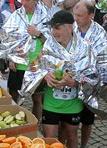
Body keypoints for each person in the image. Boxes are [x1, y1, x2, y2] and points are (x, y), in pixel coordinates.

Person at [41, 10, 97, 148]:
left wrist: (73, 82)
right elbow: (36, 68)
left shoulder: (85, 47)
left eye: (57, 27)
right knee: (49, 140)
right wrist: (44, 75)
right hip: (51, 102)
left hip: (73, 103)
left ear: (70, 27)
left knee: (72, 137)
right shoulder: (48, 45)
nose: (54, 32)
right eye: (52, 28)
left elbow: (93, 76)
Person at [72, 0, 107, 148]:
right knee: (68, 119)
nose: (76, 18)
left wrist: (95, 78)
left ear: (91, 15)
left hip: (90, 83)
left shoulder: (100, 33)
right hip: (70, 80)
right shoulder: (71, 28)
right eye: (75, 15)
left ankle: (83, 145)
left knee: (87, 119)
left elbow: (106, 59)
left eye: (80, 15)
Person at [4, 0, 50, 102]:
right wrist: (10, 58)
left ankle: (36, 120)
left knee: (37, 98)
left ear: (35, 0)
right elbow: (9, 39)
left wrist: (38, 34)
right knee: (13, 95)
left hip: (36, 64)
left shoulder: (45, 16)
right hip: (19, 63)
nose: (24, 2)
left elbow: (52, 42)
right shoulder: (16, 15)